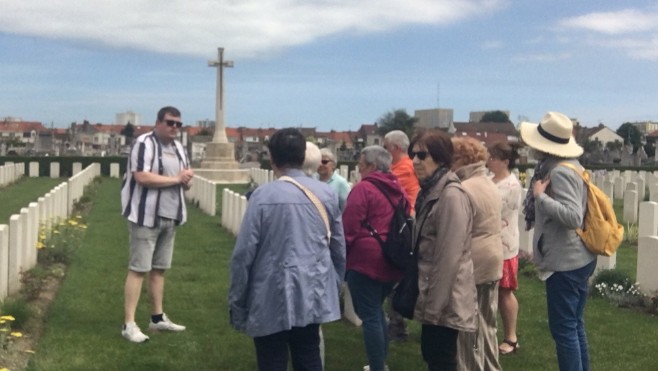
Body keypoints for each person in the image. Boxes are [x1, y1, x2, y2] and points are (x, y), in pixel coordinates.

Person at [229, 128, 346, 371]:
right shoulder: (326, 193)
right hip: (311, 289)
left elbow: (243, 255)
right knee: (309, 354)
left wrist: (237, 301)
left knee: (272, 358)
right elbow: (338, 248)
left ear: (271, 157)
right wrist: (332, 285)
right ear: (303, 156)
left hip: (270, 291)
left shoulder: (262, 196)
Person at [521, 112, 596, 371]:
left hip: (566, 262)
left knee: (564, 330)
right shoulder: (572, 165)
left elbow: (573, 216)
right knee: (574, 325)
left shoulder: (560, 172)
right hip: (578, 257)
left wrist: (541, 197)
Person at [119, 106, 194, 343]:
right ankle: (129, 324)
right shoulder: (144, 143)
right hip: (146, 215)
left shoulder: (179, 148)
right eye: (170, 123)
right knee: (139, 269)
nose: (174, 128)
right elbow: (141, 176)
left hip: (171, 215)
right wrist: (176, 179)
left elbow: (184, 181)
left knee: (159, 269)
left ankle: (157, 318)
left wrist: (186, 181)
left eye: (178, 124)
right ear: (158, 122)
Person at [410, 130, 477, 371]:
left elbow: (450, 257)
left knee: (442, 360)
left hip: (445, 301)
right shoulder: (431, 191)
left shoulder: (450, 196)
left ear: (439, 157)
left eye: (421, 155)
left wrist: (434, 310)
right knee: (433, 356)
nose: (415, 160)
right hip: (434, 296)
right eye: (412, 154)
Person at [342, 145, 406, 371]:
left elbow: (349, 225)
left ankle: (377, 366)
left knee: (369, 315)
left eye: (360, 163)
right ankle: (380, 363)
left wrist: (343, 253)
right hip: (392, 258)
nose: (358, 168)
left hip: (366, 260)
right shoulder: (398, 188)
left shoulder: (364, 189)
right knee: (376, 312)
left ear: (371, 165)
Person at [451, 137, 503, 371]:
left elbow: (458, 230)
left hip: (474, 262)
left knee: (468, 328)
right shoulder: (487, 183)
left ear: (460, 159)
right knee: (487, 324)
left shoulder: (464, 188)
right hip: (492, 259)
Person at [383, 129, 420, 342]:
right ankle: (396, 324)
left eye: (387, 147)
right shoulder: (402, 167)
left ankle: (397, 327)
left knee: (396, 278)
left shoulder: (403, 169)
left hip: (404, 226)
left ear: (396, 148)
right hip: (404, 225)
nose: (385, 151)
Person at [487, 141, 523, 355]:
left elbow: (494, 210)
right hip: (490, 243)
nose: (489, 160)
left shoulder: (511, 186)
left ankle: (511, 337)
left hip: (504, 246)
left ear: (505, 161)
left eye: (493, 157)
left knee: (504, 292)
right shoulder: (490, 180)